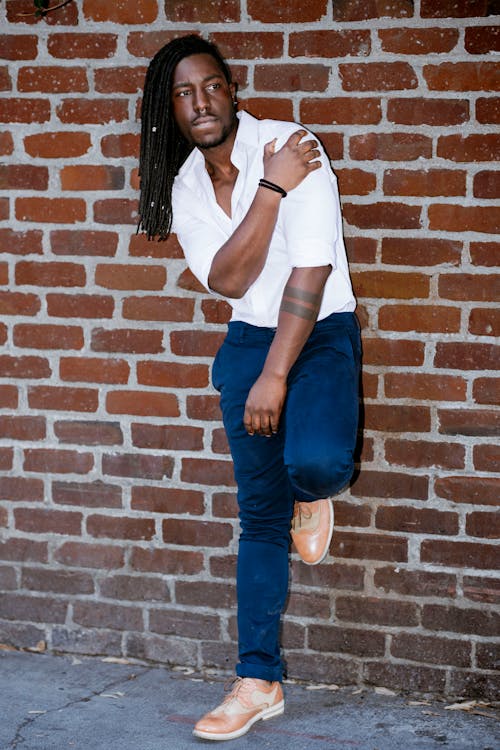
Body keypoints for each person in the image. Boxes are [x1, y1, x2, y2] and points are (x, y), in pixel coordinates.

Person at [138, 34, 361, 742]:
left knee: (319, 463)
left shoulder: (296, 144)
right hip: (246, 339)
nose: (200, 102)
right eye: (183, 93)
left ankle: (311, 492)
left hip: (319, 330)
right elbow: (230, 279)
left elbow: (311, 269)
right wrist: (269, 189)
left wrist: (276, 374)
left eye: (211, 86)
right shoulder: (187, 187)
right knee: (258, 517)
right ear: (168, 111)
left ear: (233, 90)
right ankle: (257, 680)